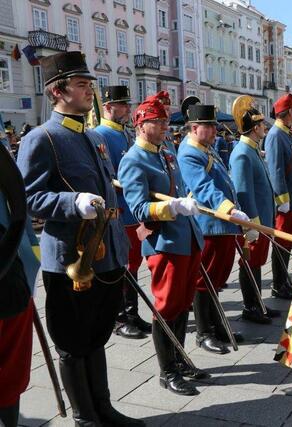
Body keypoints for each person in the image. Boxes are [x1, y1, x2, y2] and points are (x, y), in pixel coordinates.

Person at [16, 51, 142, 425]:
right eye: (82, 85)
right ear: (57, 92)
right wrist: (73, 202)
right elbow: (28, 197)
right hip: (70, 260)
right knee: (72, 341)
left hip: (105, 255)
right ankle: (85, 417)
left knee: (97, 336)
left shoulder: (92, 136)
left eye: (90, 84)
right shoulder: (43, 138)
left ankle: (102, 406)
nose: (90, 91)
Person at [119, 97, 208, 396]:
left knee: (183, 305)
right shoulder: (133, 159)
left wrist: (188, 202)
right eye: (158, 121)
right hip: (166, 243)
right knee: (167, 307)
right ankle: (167, 371)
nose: (165, 126)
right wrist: (174, 209)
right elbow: (138, 208)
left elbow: (180, 188)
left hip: (188, 238)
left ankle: (180, 359)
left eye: (165, 121)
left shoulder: (166, 152)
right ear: (141, 125)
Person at [177, 102, 252, 353]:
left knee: (217, 279)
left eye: (214, 127)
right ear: (195, 127)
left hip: (224, 225)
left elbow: (226, 182)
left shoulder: (205, 148)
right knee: (204, 280)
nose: (214, 132)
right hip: (209, 226)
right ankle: (203, 332)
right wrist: (230, 209)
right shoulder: (189, 153)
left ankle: (218, 325)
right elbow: (203, 188)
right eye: (209, 128)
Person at [95, 85, 151, 340]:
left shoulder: (127, 134)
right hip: (116, 211)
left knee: (133, 265)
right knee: (119, 265)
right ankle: (119, 318)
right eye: (123, 105)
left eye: (127, 105)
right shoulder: (100, 135)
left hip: (132, 213)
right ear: (108, 107)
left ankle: (132, 311)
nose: (128, 109)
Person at [229, 95, 280, 323]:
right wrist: (252, 223)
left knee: (258, 263)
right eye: (261, 125)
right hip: (254, 222)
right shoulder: (242, 153)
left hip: (262, 219)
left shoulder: (252, 150)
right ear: (253, 128)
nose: (264, 128)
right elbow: (243, 192)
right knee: (250, 263)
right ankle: (251, 307)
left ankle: (258, 303)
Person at [0, 141, 40, 427]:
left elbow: (19, 214)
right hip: (10, 272)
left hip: (9, 278)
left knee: (11, 376)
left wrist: (29, 269)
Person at [265, 93, 292, 300]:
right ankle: (278, 283)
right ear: (287, 112)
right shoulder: (275, 135)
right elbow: (275, 170)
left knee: (288, 243)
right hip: (286, 202)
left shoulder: (286, 133)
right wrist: (282, 198)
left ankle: (283, 281)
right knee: (281, 243)